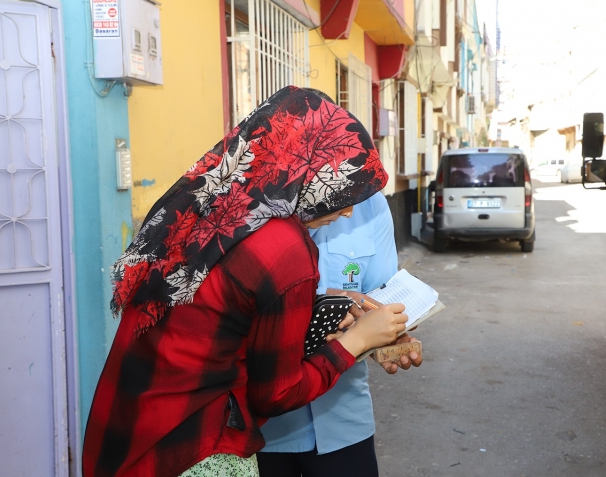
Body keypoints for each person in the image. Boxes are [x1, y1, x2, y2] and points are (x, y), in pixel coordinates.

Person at [82, 86, 408, 477]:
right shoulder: (283, 248)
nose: (348, 209)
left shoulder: (208, 203)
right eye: (340, 186)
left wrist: (324, 310)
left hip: (130, 430)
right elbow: (275, 394)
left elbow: (222, 313)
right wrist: (355, 342)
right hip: (196, 446)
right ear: (306, 169)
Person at [257, 191, 422, 477]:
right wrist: (341, 310)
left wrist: (385, 337)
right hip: (261, 429)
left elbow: (375, 300)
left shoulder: (370, 203)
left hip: (343, 420)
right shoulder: (256, 206)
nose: (348, 212)